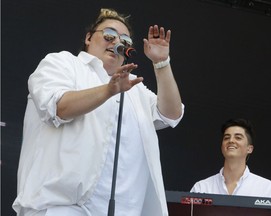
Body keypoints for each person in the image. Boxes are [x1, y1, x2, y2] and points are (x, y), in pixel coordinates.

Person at [13, 8, 184, 216]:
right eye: (109, 35)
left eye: (125, 40)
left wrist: (161, 63)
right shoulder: (63, 63)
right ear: (88, 37)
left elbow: (171, 114)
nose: (117, 43)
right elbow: (58, 106)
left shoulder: (134, 88)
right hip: (63, 207)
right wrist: (108, 90)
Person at [190, 118, 271, 198]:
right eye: (226, 138)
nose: (231, 141)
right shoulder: (201, 188)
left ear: (249, 149)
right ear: (222, 147)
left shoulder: (266, 188)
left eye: (238, 137)